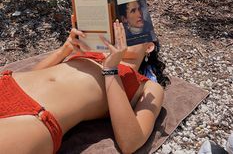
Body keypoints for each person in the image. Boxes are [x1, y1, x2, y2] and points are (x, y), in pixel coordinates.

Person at [0, 20, 169, 154]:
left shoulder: (150, 88)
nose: (122, 31)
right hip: (8, 83)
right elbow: (35, 74)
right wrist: (64, 50)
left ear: (149, 45)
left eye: (133, 28)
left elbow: (131, 143)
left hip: (35, 116)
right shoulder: (90, 52)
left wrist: (111, 69)